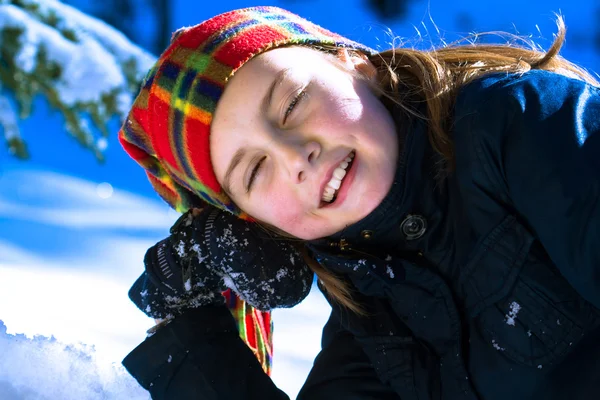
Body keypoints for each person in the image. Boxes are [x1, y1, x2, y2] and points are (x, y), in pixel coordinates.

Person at [118, 6, 600, 400]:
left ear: (354, 62)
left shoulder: (522, 122)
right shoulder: (371, 319)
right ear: (262, 226)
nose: (293, 157)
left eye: (291, 103)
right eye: (255, 170)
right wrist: (192, 328)